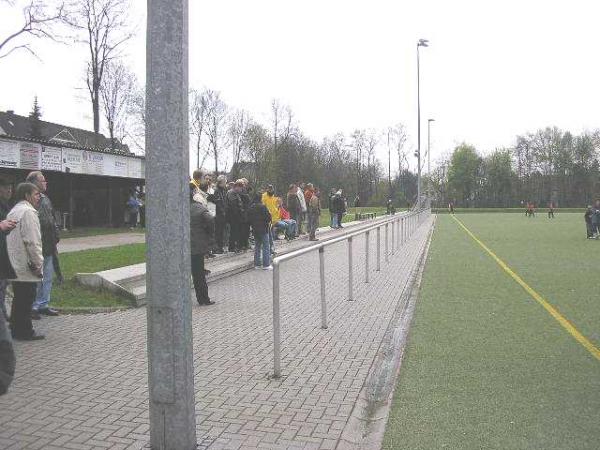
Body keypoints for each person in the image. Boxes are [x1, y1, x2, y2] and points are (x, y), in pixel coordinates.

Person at [7, 183, 44, 340]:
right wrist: (38, 263)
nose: (39, 197)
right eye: (36, 194)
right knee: (26, 298)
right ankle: (25, 331)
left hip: (14, 263)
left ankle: (16, 329)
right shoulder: (28, 212)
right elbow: (33, 241)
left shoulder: (14, 211)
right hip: (26, 265)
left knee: (18, 298)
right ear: (27, 195)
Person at [26, 171, 60, 319]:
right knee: (35, 276)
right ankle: (33, 306)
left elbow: (51, 217)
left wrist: (56, 232)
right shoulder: (30, 200)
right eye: (43, 180)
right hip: (37, 244)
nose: (46, 183)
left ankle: (43, 304)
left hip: (49, 243)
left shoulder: (46, 199)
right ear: (35, 183)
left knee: (47, 276)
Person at [190, 183, 215, 306]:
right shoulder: (199, 208)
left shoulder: (179, 207)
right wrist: (207, 233)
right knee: (198, 274)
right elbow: (210, 220)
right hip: (196, 246)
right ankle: (203, 298)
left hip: (182, 246)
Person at [0, 178, 17, 320]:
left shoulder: (6, 206)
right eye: (6, 187)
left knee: (3, 289)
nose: (9, 190)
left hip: (5, 257)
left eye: (10, 188)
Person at [248, 193, 272, 270]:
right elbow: (268, 217)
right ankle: (266, 264)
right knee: (266, 246)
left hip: (255, 229)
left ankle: (257, 264)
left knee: (257, 246)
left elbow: (249, 218)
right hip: (263, 228)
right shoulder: (262, 206)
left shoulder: (251, 207)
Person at [208, 175, 228, 254]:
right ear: (221, 182)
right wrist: (222, 211)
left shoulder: (222, 190)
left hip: (222, 214)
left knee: (221, 232)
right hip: (217, 215)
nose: (226, 184)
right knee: (217, 232)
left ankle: (220, 247)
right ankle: (216, 248)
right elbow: (216, 203)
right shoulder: (216, 190)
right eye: (225, 182)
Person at [226, 181, 245, 252]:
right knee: (233, 231)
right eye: (241, 188)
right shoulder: (231, 193)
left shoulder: (236, 193)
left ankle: (234, 246)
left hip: (236, 215)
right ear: (237, 186)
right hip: (233, 215)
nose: (241, 190)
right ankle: (231, 247)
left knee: (236, 231)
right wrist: (238, 213)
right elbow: (233, 205)